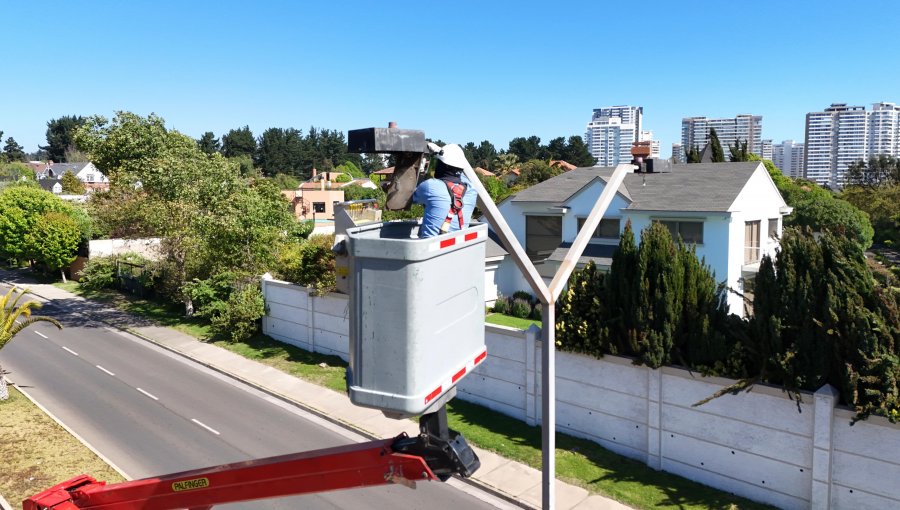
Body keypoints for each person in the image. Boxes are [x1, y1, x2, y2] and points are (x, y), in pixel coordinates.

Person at [412, 143, 478, 238]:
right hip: (459, 248)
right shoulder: (471, 191)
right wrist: (443, 155)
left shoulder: (430, 186)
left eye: (438, 163)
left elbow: (409, 197)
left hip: (430, 251)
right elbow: (460, 175)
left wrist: (420, 172)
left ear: (443, 166)